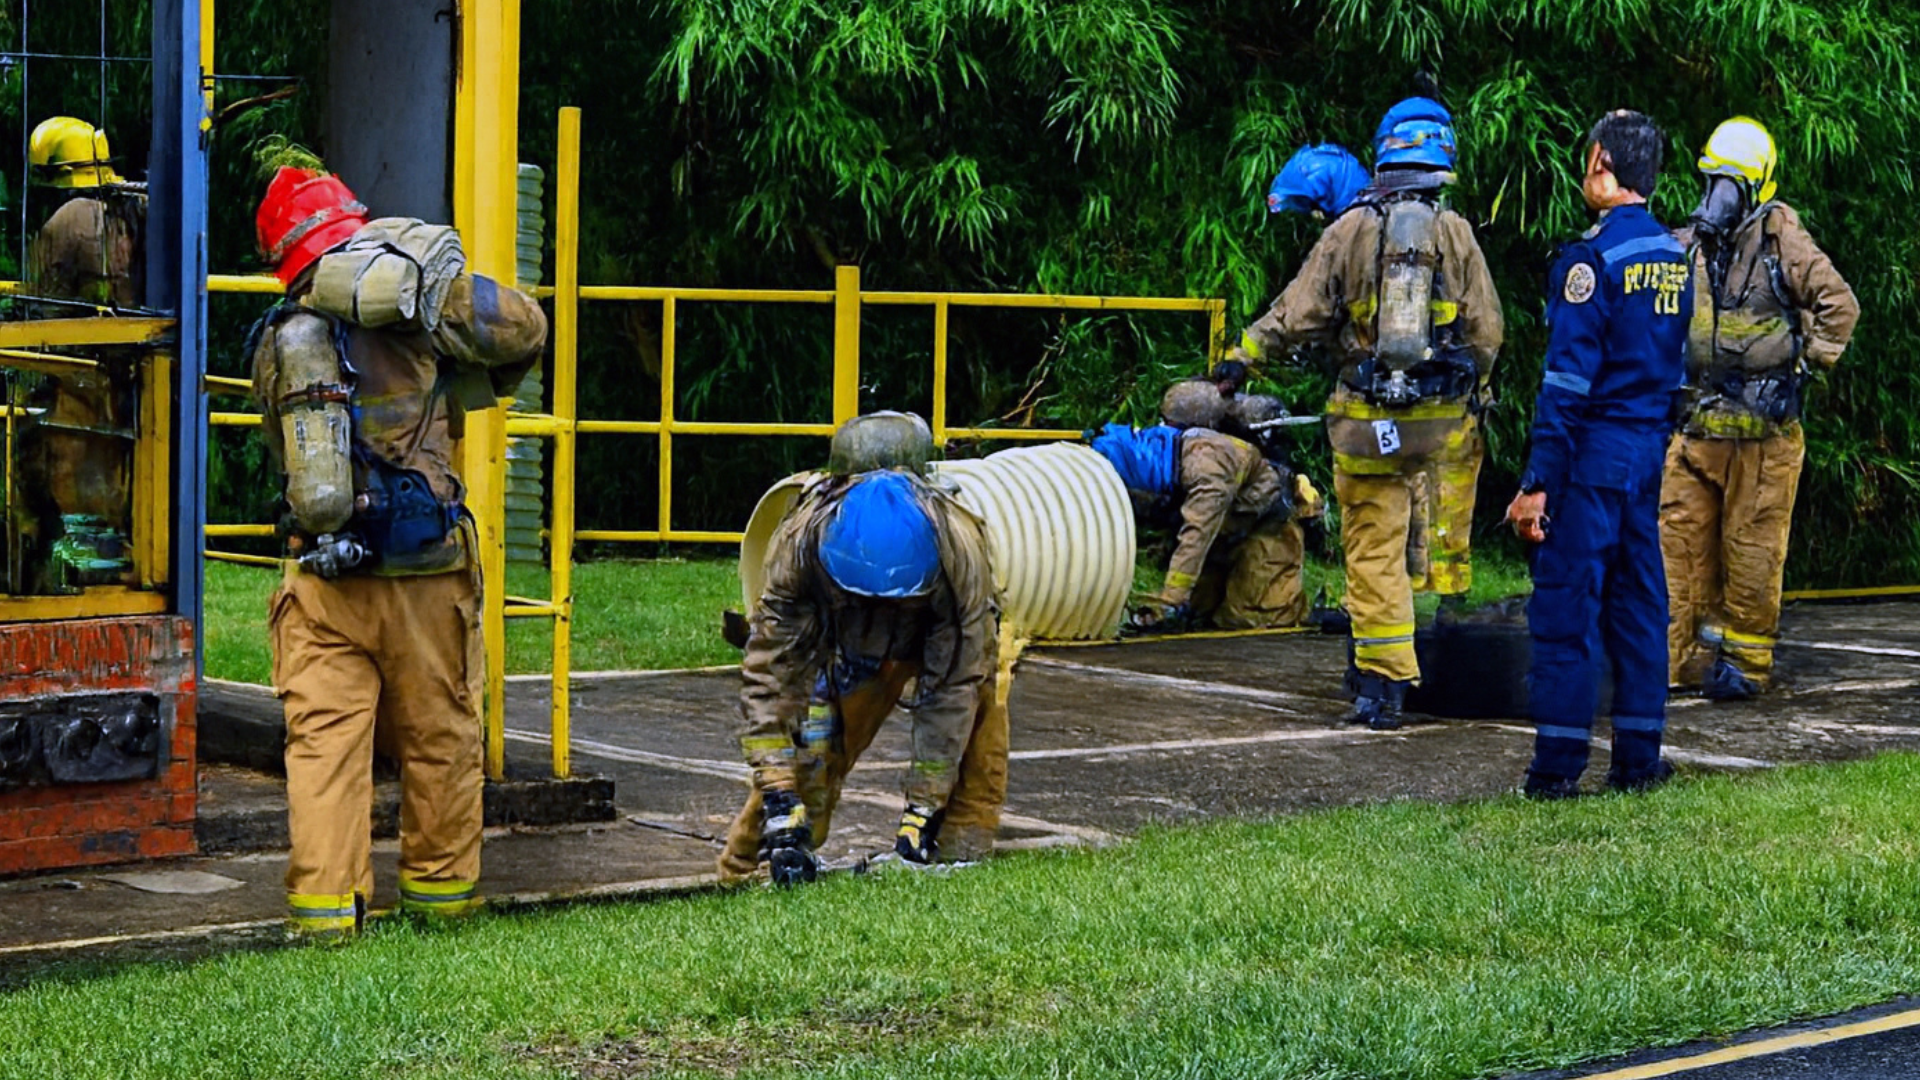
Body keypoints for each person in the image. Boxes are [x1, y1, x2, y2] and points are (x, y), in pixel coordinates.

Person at [250, 165, 549, 934]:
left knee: (322, 750)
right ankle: (440, 902)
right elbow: (523, 327)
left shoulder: (282, 339)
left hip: (320, 578)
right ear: (357, 228)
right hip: (424, 574)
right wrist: (429, 285)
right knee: (440, 738)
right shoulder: (413, 310)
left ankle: (325, 918)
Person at [1229, 97, 1503, 727]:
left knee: (1371, 545)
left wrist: (1239, 358)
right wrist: (1468, 395)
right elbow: (1488, 330)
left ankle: (1380, 685)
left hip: (1366, 424)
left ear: (1383, 153)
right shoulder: (1455, 232)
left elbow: (1297, 315)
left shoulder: (1350, 230)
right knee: (1422, 543)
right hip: (1440, 427)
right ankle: (1421, 655)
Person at [719, 412, 1007, 885]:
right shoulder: (799, 544)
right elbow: (770, 676)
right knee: (810, 760)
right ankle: (742, 871)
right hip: (848, 653)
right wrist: (778, 792)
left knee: (979, 721)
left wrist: (922, 810)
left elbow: (953, 686)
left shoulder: (960, 553)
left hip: (944, 638)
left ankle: (955, 859)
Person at [1506, 110, 1690, 799]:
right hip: (1648, 454)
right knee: (1641, 606)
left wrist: (1537, 482)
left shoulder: (1590, 261)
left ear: (1601, 162)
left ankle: (1554, 772)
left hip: (1591, 457)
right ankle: (1639, 759)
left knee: (1566, 610)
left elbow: (1566, 384)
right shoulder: (1675, 256)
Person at [1661, 117, 1859, 700]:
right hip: (1697, 426)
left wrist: (1805, 365)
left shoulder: (1782, 241)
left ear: (1757, 187)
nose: (1720, 194)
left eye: (1732, 182)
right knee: (1679, 546)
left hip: (1763, 435)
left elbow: (1839, 305)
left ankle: (1746, 666)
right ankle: (1679, 663)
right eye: (1714, 179)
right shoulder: (1688, 245)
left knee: (1751, 549)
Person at [19, 117, 149, 593]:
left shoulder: (65, 222)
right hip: (138, 376)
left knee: (40, 470)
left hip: (74, 377)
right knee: (125, 480)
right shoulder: (141, 210)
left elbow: (40, 306)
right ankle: (127, 562)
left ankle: (42, 568)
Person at [1092, 420, 1323, 634]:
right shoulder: (1173, 452)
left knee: (1254, 617)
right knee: (1200, 611)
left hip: (1268, 529)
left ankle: (1320, 616)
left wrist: (1171, 601)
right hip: (1227, 534)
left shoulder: (1208, 475)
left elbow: (1195, 538)